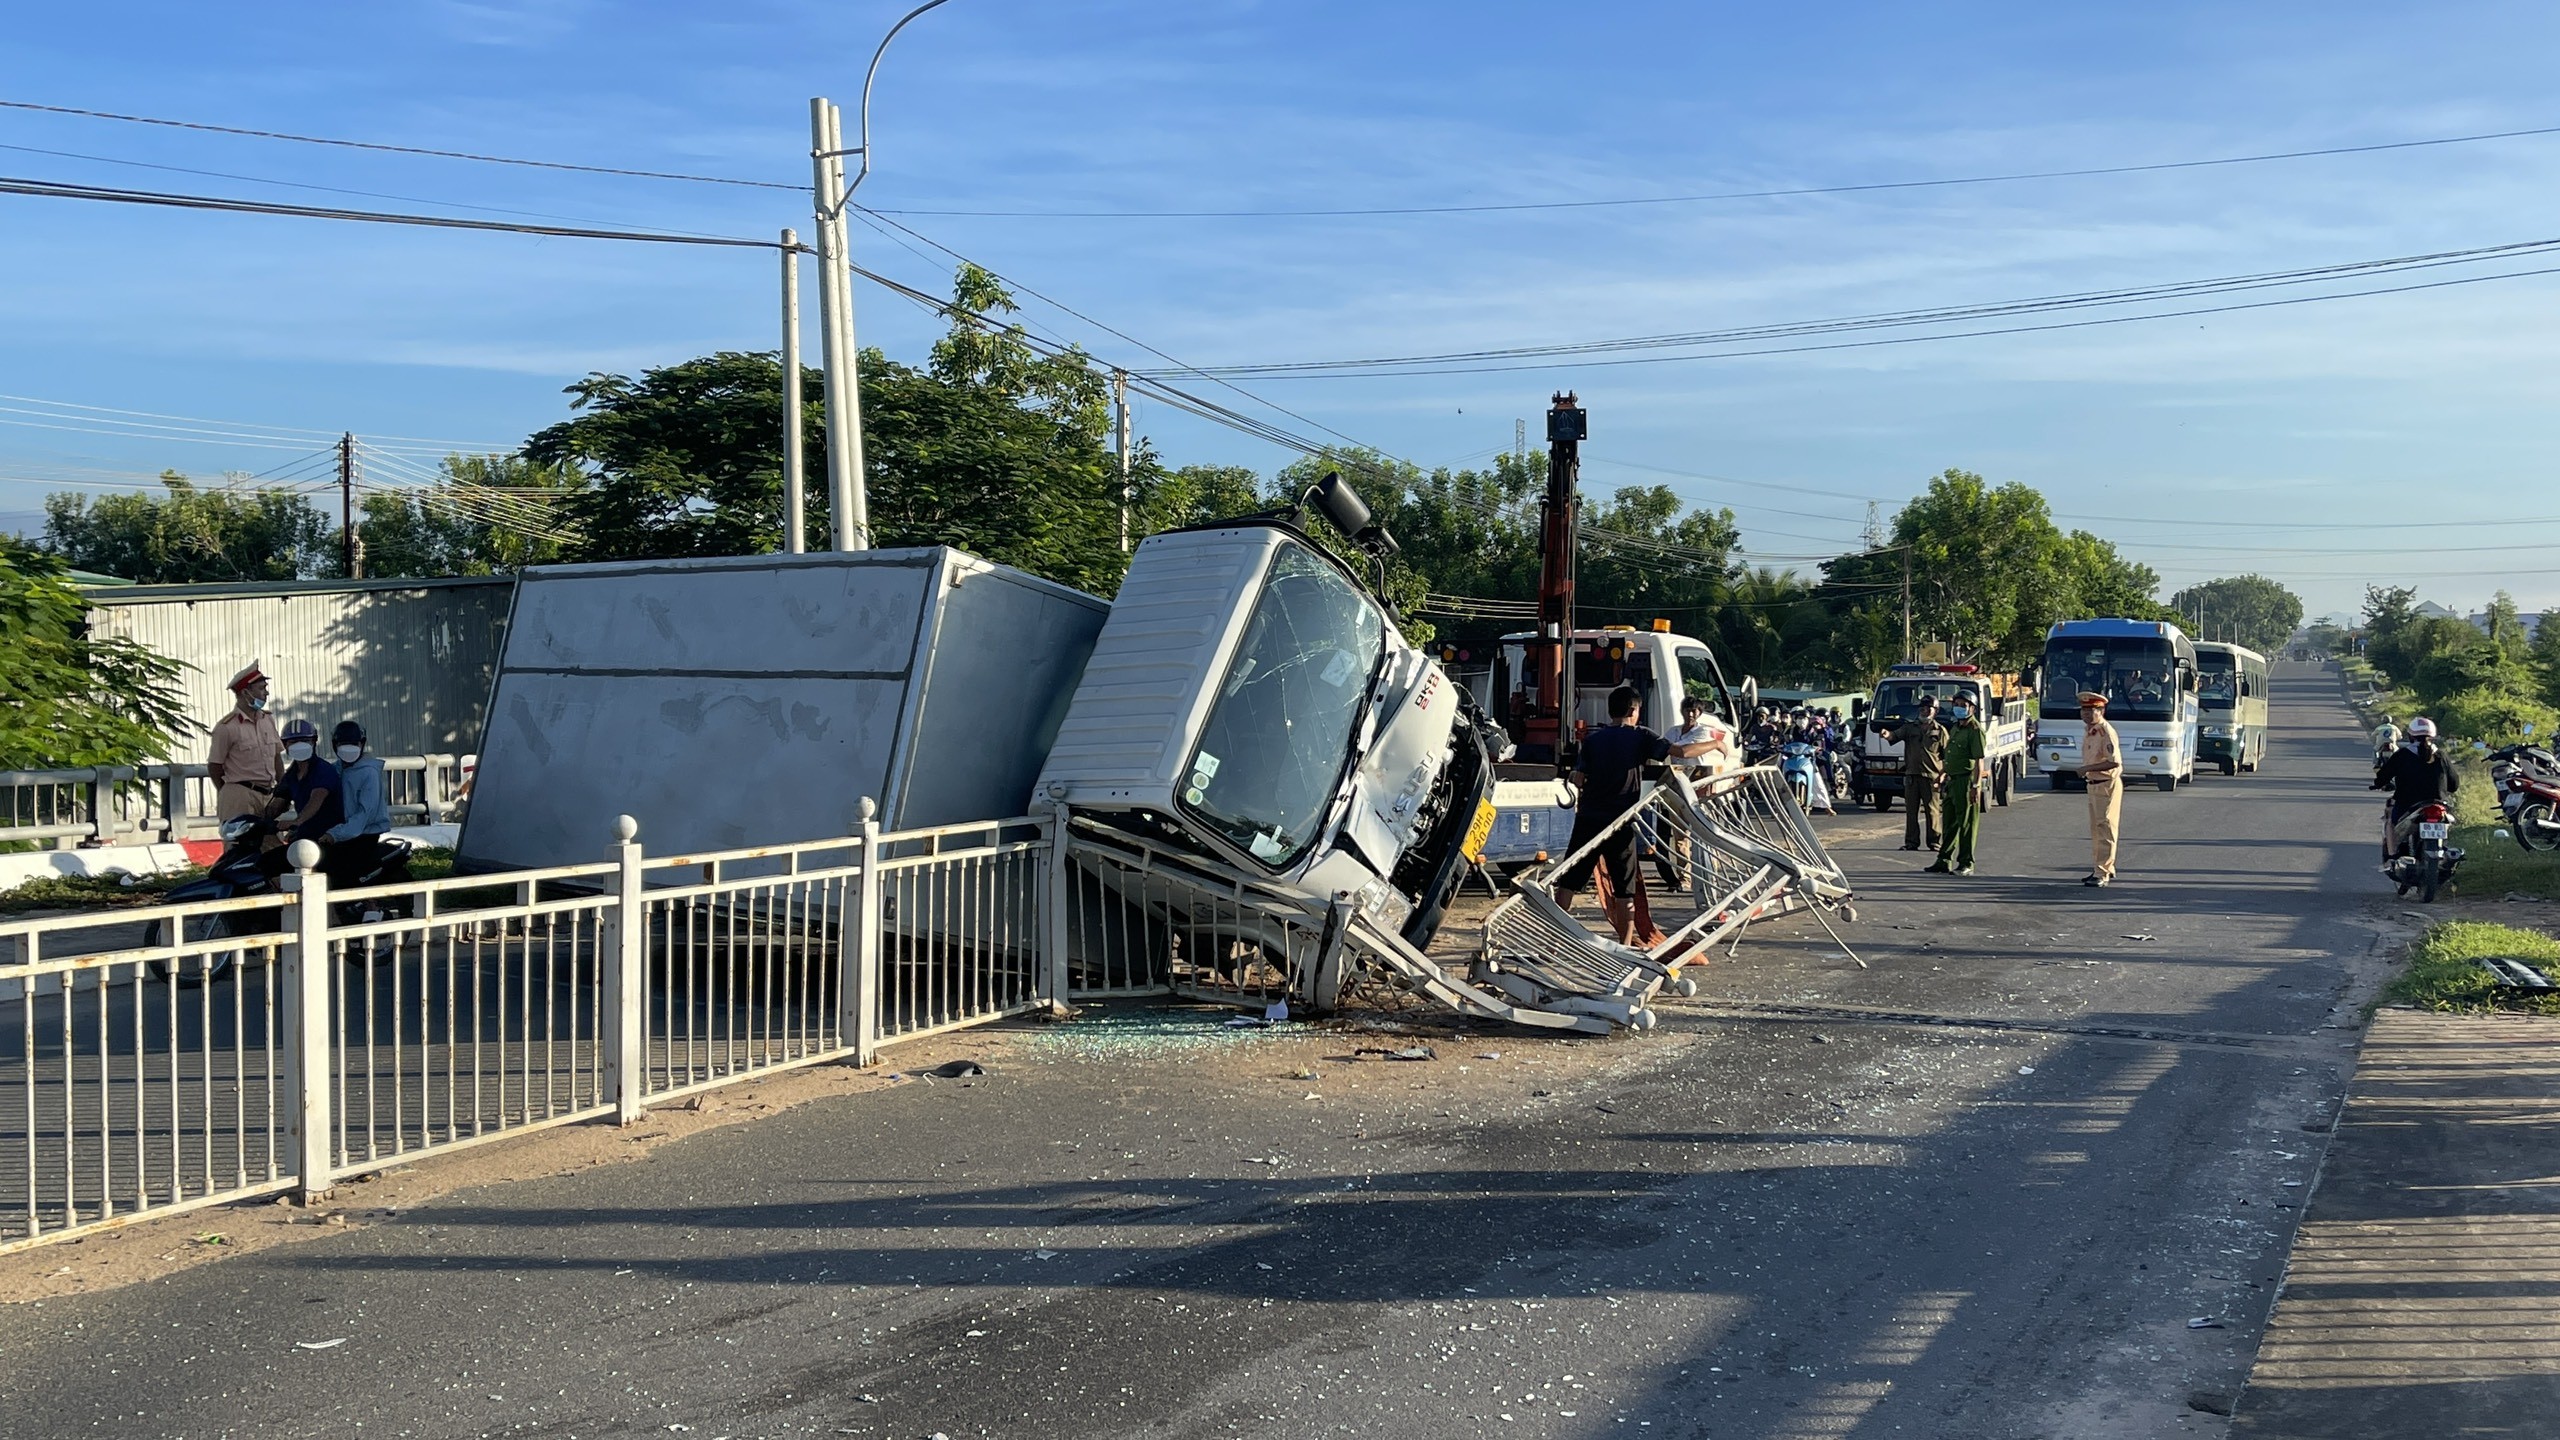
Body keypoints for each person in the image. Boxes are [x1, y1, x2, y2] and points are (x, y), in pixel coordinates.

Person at [1557, 685, 1703, 944]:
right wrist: (1716, 744)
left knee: (1569, 881)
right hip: (1620, 820)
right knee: (1624, 888)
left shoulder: (1592, 740)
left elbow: (1578, 779)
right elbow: (1681, 753)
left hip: (1588, 818)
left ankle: (1553, 943)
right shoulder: (1641, 736)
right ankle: (1624, 945)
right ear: (1634, 710)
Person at [262, 718, 345, 880]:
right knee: (267, 862)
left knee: (276, 864)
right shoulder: (292, 774)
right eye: (293, 741)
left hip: (327, 839)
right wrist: (261, 822)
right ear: (284, 745)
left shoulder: (323, 770)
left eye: (304, 740)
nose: (299, 745)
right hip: (304, 839)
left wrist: (297, 821)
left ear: (314, 741)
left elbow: (317, 798)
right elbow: (278, 802)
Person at [205, 660, 282, 823]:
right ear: (246, 692)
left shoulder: (267, 720)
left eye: (265, 688)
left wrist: (283, 790)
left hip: (268, 795)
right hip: (240, 795)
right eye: (261, 689)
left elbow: (276, 757)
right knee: (238, 845)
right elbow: (214, 766)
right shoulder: (227, 727)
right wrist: (229, 791)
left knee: (271, 845)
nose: (266, 694)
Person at [2374, 717, 2460, 857]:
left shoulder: (2402, 755)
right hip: (2439, 804)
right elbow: (2454, 784)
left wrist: (2378, 784)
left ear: (2410, 735)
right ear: (2433, 736)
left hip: (2407, 804)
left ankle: (2392, 855)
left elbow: (2383, 777)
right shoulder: (2441, 755)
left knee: (2390, 822)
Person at [1926, 696, 1990, 874]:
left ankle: (1966, 863)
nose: (1959, 708)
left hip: (1966, 779)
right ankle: (1943, 860)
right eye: (1956, 705)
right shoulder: (1955, 728)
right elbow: (1950, 755)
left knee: (1967, 824)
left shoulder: (1975, 730)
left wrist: (1976, 786)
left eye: (1963, 705)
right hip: (1952, 780)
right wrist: (1941, 775)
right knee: (1949, 823)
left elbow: (1979, 761)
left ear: (1973, 709)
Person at [323, 721, 392, 888]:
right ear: (335, 745)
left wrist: (335, 835)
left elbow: (364, 814)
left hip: (363, 833)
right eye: (343, 744)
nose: (348, 748)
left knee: (343, 872)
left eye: (354, 744)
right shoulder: (335, 770)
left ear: (362, 744)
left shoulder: (369, 772)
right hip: (339, 830)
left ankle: (370, 908)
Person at [1886, 694, 1948, 852]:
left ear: (1935, 711)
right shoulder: (1909, 727)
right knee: (1911, 811)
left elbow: (1948, 755)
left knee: (1932, 811)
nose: (1925, 711)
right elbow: (1895, 736)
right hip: (1912, 776)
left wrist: (1943, 775)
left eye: (1928, 709)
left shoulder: (1940, 731)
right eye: (1922, 708)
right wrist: (1887, 734)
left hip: (1931, 777)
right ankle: (1911, 843)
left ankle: (1934, 842)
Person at [2080, 690, 2123, 886]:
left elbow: (2114, 763)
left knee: (2105, 828)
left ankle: (2102, 873)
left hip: (2106, 784)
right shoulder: (2090, 731)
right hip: (2093, 784)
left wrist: (2087, 768)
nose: (2086, 715)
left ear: (2101, 711)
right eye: (2084, 710)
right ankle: (2102, 867)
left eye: (2092, 710)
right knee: (2096, 829)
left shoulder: (2106, 732)